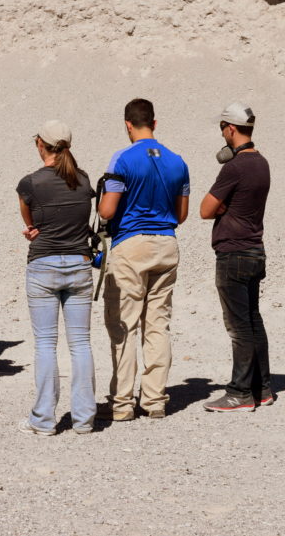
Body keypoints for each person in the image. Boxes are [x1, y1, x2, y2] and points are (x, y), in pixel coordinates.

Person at [98, 98, 190, 421]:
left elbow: (107, 211)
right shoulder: (178, 161)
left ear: (127, 124)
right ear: (154, 121)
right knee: (158, 324)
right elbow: (181, 215)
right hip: (166, 242)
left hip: (131, 244)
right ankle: (155, 400)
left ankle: (122, 404)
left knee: (125, 324)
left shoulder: (121, 159)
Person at [16, 120, 96, 436]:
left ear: (41, 144)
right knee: (81, 343)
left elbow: (30, 220)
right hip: (79, 264)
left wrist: (35, 229)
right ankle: (84, 418)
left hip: (43, 264)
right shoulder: (84, 179)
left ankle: (44, 420)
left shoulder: (30, 182)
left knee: (46, 344)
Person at [201, 103, 273, 412]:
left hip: (233, 253)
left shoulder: (234, 167)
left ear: (230, 128)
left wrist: (222, 207)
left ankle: (240, 392)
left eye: (222, 127)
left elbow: (205, 210)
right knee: (253, 320)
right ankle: (263, 388)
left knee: (238, 326)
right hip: (255, 250)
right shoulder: (262, 163)